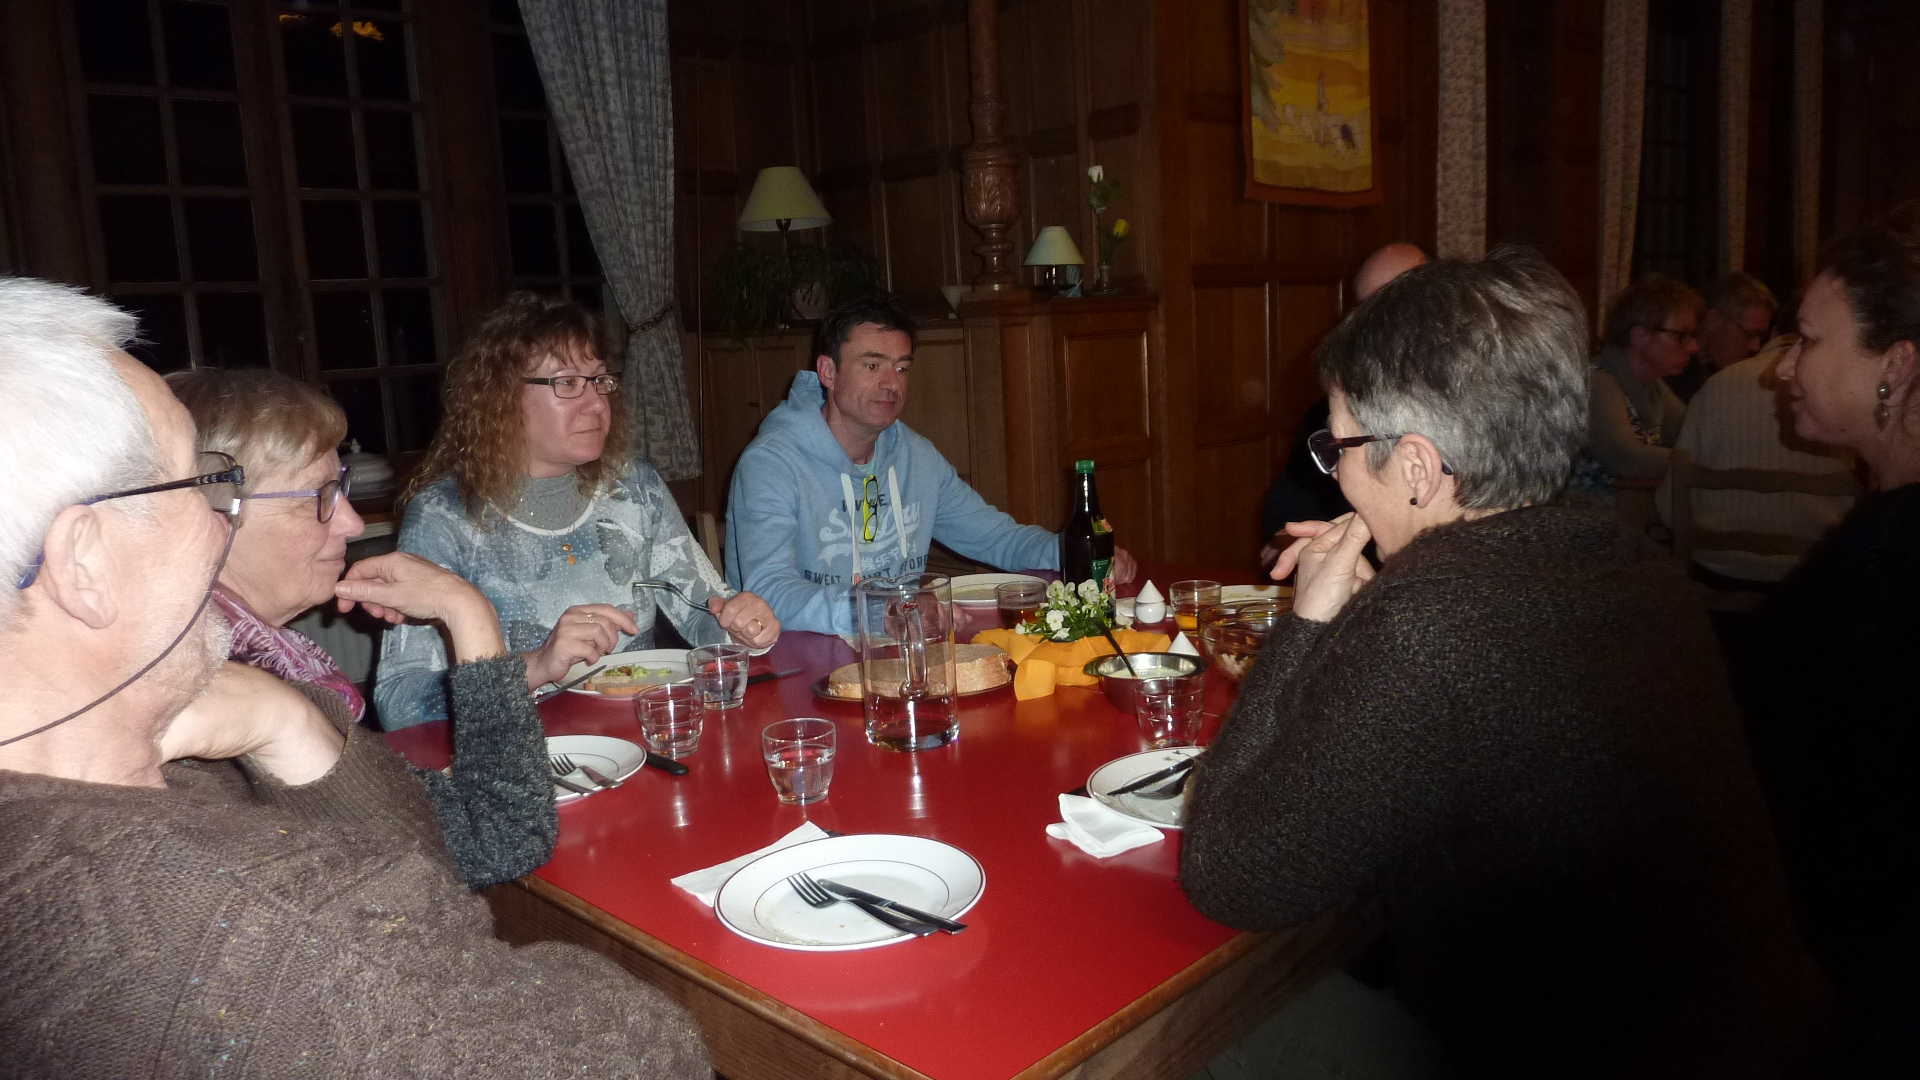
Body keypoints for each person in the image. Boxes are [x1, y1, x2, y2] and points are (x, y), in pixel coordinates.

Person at [0, 277, 708, 1075]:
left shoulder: (236, 708)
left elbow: (430, 860)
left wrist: (295, 724)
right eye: (203, 492)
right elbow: (642, 1046)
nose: (349, 520)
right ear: (84, 561)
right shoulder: (240, 908)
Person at [1180, 248, 1816, 1077]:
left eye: (1338, 447)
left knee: (1212, 1043)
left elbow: (1230, 875)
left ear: (1417, 466)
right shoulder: (1634, 564)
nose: (1333, 473)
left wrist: (1308, 622)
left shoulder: (1430, 618)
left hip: (1590, 1055)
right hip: (1750, 1030)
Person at [167, 368, 556, 887]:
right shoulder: (218, 703)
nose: (351, 523)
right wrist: (468, 612)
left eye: (341, 488)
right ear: (209, 517)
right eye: (318, 496)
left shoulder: (259, 658)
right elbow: (504, 836)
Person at [375, 292, 778, 729]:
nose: (597, 403)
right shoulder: (444, 516)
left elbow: (705, 612)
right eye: (567, 384)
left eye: (600, 380)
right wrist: (536, 665)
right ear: (502, 398)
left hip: (644, 737)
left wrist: (742, 629)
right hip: (521, 751)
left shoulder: (633, 486)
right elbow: (399, 702)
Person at [1740, 206, 1920, 1066]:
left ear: (1898, 365)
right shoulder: (1880, 536)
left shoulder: (1888, 561)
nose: (1783, 369)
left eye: (1808, 341)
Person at [726, 295, 1135, 635]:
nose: (891, 383)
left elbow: (996, 538)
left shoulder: (915, 455)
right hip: (800, 666)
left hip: (904, 655)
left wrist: (1079, 552)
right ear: (828, 371)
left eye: (902, 368)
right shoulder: (771, 463)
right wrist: (882, 612)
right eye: (872, 365)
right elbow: (770, 592)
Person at [1259, 243, 1427, 565]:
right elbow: (1284, 515)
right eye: (1367, 307)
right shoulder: (1333, 414)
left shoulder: (1471, 405)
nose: (1376, 323)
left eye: (1396, 303)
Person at [1654, 333, 1856, 584]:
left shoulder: (1720, 384)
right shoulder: (1850, 392)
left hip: (1718, 571)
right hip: (1818, 574)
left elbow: (1670, 507)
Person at [1569, 274, 1700, 492]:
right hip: (1582, 511)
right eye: (1681, 336)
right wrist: (1707, 460)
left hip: (1623, 508)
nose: (1694, 347)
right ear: (1640, 336)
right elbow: (1628, 459)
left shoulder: (1653, 385)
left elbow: (1692, 433)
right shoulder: (1598, 382)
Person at [1667, 271, 1780, 401]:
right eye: (1749, 334)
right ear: (1713, 320)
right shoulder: (1671, 372)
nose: (1756, 346)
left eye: (1762, 336)